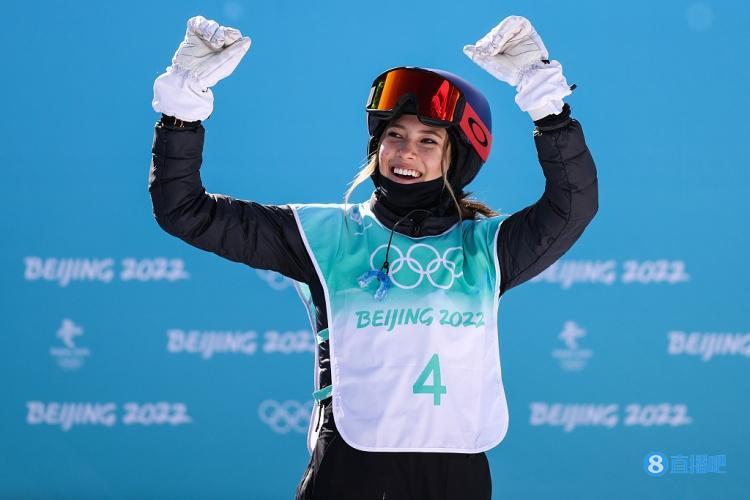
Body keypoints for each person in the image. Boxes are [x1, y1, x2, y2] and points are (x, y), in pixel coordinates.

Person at [150, 15, 598, 500]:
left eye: (428, 141)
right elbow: (184, 210)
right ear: (376, 147)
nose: (407, 152)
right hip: (349, 468)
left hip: (455, 474)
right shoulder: (322, 236)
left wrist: (548, 107)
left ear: (456, 158)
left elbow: (573, 205)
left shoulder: (486, 247)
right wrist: (182, 110)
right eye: (395, 136)